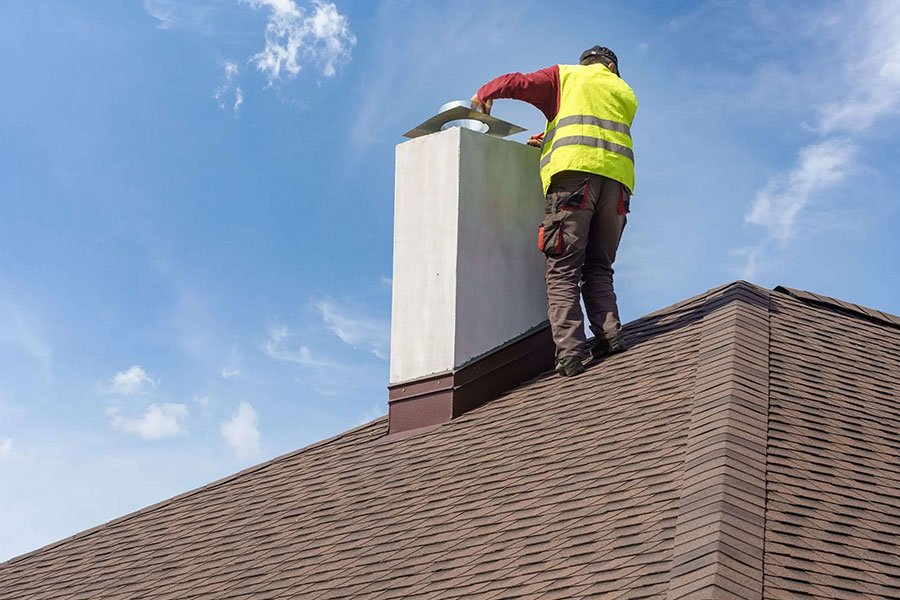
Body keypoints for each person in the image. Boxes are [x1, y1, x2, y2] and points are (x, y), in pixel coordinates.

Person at [472, 46, 637, 377]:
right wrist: (548, 137)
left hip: (574, 183)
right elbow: (593, 131)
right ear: (611, 66)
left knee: (563, 268)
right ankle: (610, 336)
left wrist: (483, 93)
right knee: (599, 266)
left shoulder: (566, 76)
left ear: (586, 63)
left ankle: (571, 353)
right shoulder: (624, 92)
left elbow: (518, 83)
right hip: (617, 188)